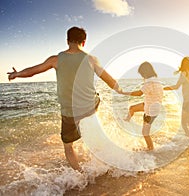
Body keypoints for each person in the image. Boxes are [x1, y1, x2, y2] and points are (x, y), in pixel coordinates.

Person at [7, 26, 122, 171]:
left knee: (68, 146)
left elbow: (32, 72)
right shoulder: (92, 59)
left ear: (67, 41)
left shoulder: (55, 59)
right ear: (84, 42)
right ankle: (96, 139)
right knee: (95, 101)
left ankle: (79, 174)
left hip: (69, 111)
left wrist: (16, 74)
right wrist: (124, 91)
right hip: (90, 106)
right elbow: (110, 81)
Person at [122, 61, 163, 151]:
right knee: (132, 108)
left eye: (142, 74)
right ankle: (127, 120)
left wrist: (124, 92)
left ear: (145, 72)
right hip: (151, 105)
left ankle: (151, 149)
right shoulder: (156, 81)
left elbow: (139, 93)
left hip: (151, 110)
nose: (142, 77)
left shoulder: (150, 83)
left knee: (145, 133)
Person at [164, 57, 189, 138]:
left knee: (183, 123)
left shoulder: (184, 73)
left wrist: (163, 88)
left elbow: (176, 86)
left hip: (188, 101)